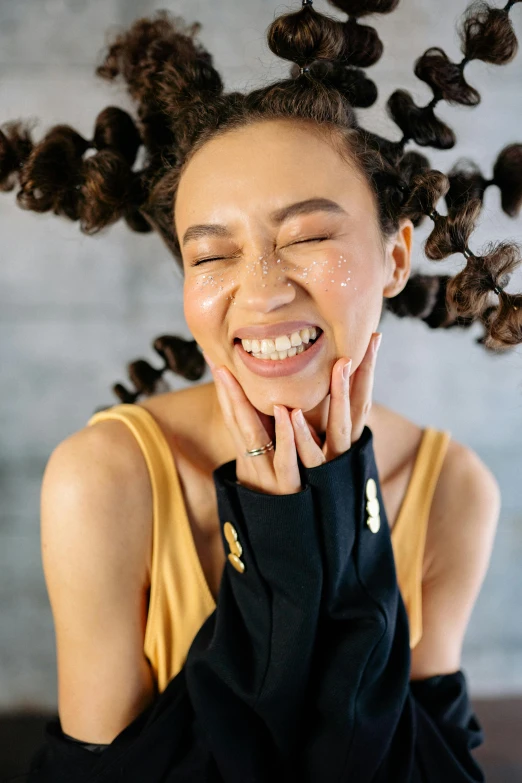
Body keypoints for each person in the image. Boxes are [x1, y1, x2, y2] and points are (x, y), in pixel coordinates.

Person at [2, 0, 521, 779]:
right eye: (212, 256)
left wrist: (346, 527)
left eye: (308, 236)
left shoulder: (453, 492)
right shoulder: (103, 480)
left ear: (397, 255)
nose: (263, 291)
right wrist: (279, 555)